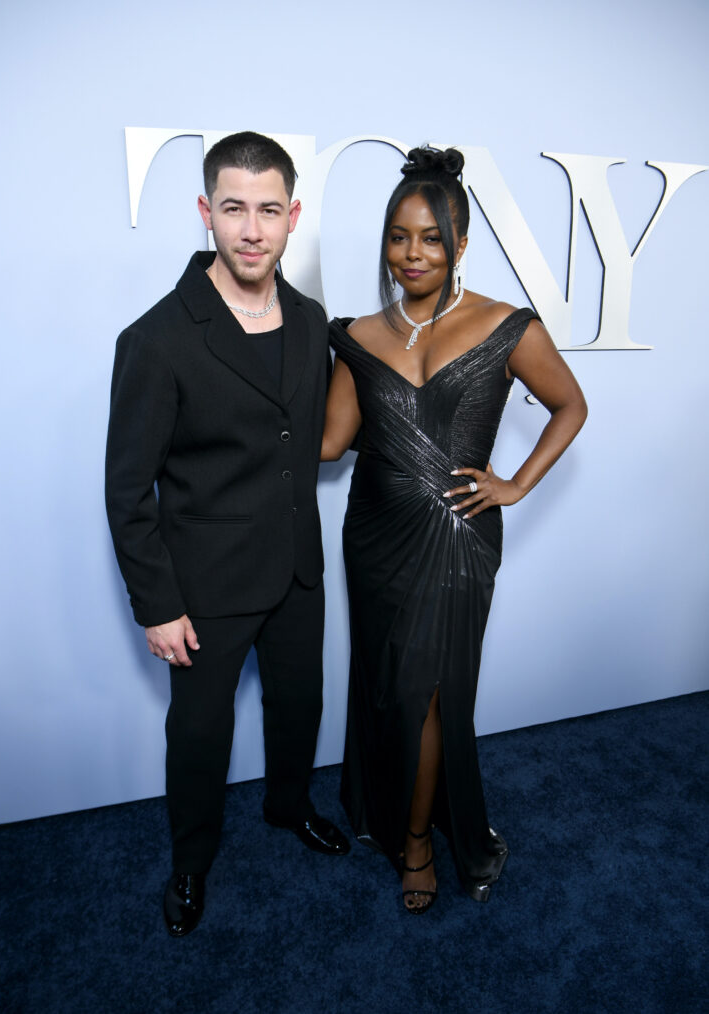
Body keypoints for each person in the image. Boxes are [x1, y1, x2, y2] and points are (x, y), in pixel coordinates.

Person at [321, 146, 587, 914]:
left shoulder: (507, 326)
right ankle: (395, 808)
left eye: (431, 237)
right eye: (399, 237)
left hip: (459, 539)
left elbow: (572, 405)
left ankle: (415, 842)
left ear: (460, 244)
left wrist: (515, 485)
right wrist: (239, 411)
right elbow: (332, 443)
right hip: (374, 535)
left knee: (433, 695)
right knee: (387, 688)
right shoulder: (359, 334)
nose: (412, 253)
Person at [106, 131, 349, 938]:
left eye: (269, 210)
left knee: (299, 706)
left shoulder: (311, 320)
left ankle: (288, 806)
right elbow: (125, 488)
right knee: (201, 734)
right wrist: (157, 604)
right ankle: (191, 861)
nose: (252, 229)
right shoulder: (156, 338)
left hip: (296, 570)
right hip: (204, 588)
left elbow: (309, 431)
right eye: (235, 209)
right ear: (207, 212)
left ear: (293, 217)